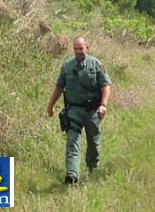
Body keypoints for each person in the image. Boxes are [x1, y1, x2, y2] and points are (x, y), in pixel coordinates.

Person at [47, 37, 112, 185]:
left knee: (93, 144)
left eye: (81, 48)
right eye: (76, 49)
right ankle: (72, 175)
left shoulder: (96, 64)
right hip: (74, 109)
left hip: (93, 111)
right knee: (72, 142)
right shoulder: (67, 66)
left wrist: (103, 105)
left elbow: (106, 86)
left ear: (87, 48)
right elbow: (59, 87)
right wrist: (50, 105)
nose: (78, 51)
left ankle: (92, 171)